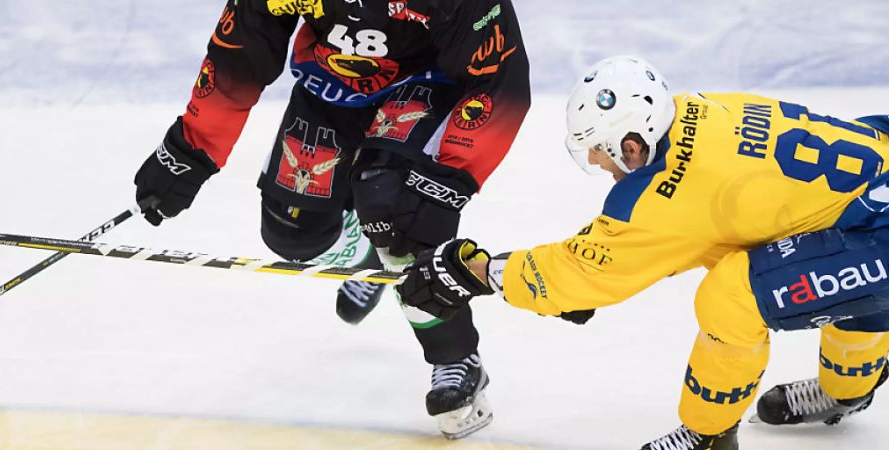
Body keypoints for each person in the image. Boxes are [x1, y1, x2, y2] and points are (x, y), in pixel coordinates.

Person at [397, 55, 889, 449]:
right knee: (810, 255)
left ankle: (709, 435)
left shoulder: (666, 190)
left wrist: (477, 272)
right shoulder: (697, 108)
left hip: (882, 233)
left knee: (736, 294)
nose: (595, 160)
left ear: (633, 142)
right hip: (872, 195)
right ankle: (848, 389)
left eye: (598, 147)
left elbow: (580, 273)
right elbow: (702, 229)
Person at [131, 0, 530, 439]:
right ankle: (367, 246)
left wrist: (449, 180)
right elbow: (240, 50)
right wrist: (190, 150)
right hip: (332, 83)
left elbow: (500, 79)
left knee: (398, 212)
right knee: (292, 230)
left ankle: (455, 359)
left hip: (427, 82)